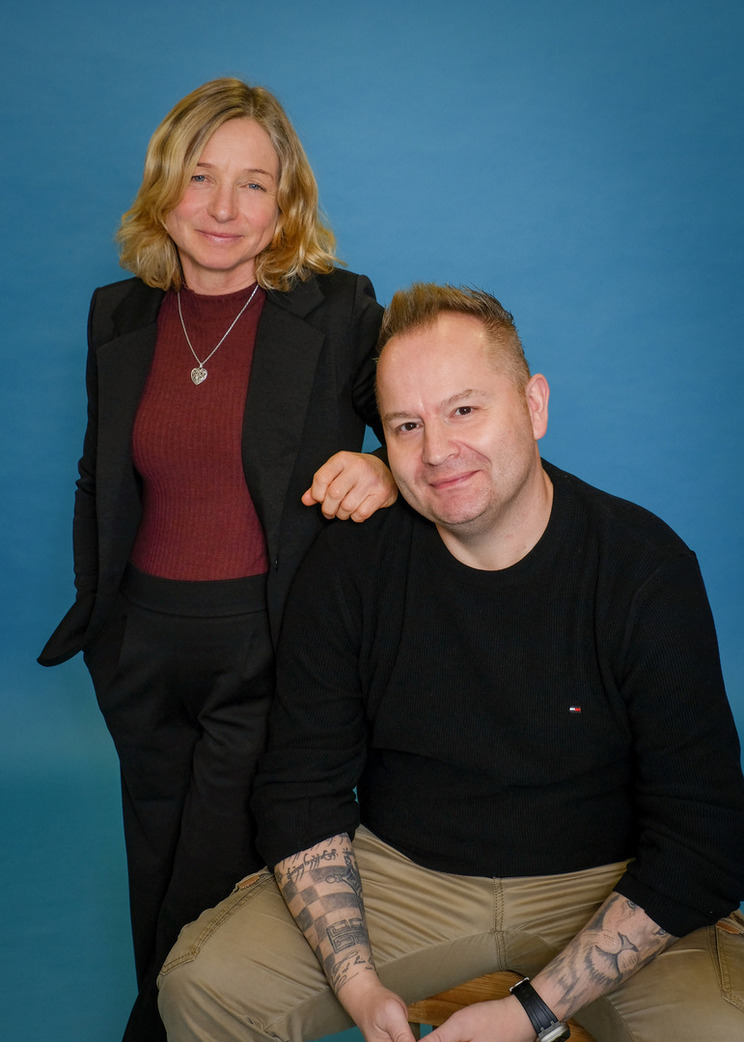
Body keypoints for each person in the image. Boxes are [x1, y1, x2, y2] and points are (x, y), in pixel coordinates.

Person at [157, 283, 744, 1042]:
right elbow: (302, 787)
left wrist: (533, 1012)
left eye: (464, 410)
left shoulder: (643, 568)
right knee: (203, 987)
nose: (436, 451)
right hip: (404, 876)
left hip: (606, 880)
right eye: (407, 425)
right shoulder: (351, 565)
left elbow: (704, 834)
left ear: (534, 406)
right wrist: (360, 989)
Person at [38, 77, 396, 1042]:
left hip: (266, 650)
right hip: (141, 648)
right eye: (201, 177)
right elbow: (97, 477)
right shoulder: (118, 316)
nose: (224, 208)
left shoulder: (335, 311)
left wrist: (384, 470)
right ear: (165, 190)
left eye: (253, 183)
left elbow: (425, 420)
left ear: (286, 203)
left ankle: (157, 1030)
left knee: (212, 875)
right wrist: (101, 618)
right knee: (154, 863)